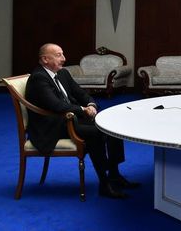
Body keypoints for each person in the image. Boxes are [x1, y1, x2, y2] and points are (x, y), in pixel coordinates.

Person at [25, 43, 139, 199]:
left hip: (68, 119)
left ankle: (114, 174)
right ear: (45, 59)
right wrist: (83, 110)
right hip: (50, 126)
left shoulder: (62, 73)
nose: (64, 58)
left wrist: (91, 104)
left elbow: (80, 93)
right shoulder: (39, 78)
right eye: (58, 55)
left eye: (62, 54)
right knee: (96, 133)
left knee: (111, 127)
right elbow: (55, 105)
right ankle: (104, 184)